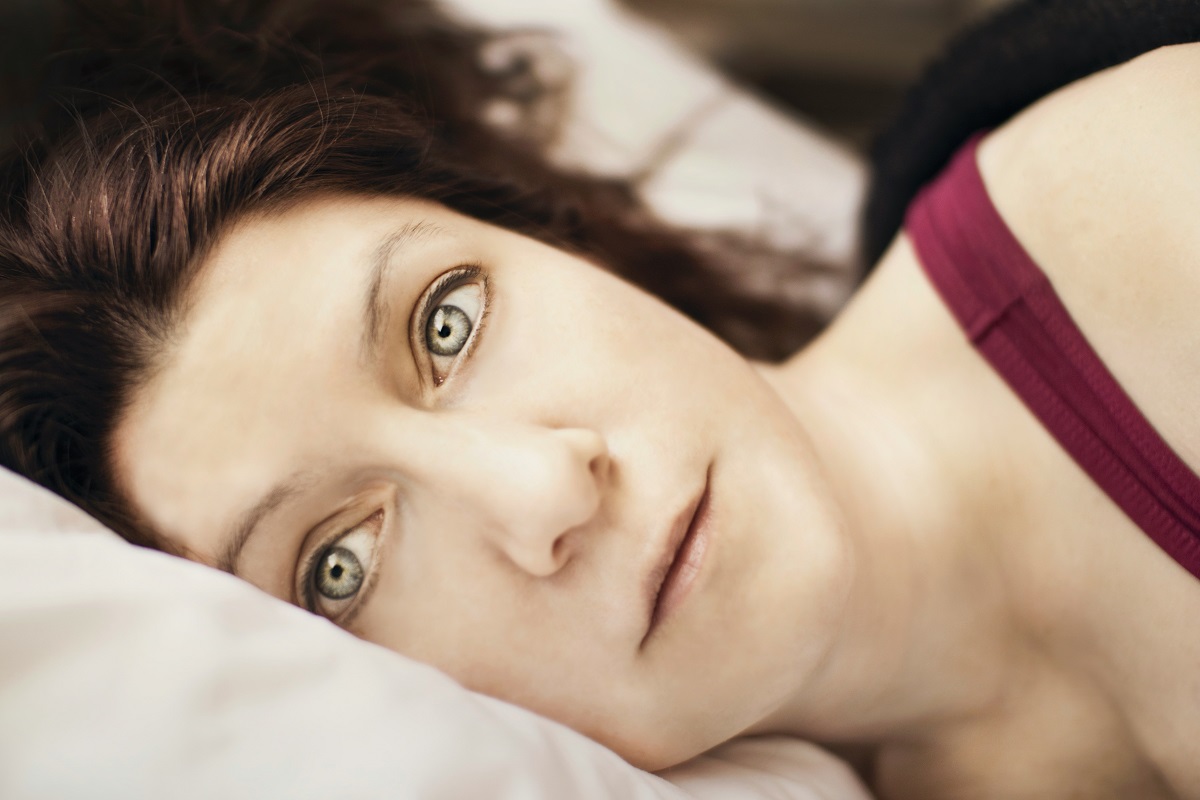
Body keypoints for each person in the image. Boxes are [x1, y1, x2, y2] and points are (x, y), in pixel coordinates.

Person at [1, 0, 1197, 797]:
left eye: (448, 322)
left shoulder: (1147, 210)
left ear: (555, 240)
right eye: (341, 564)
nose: (544, 489)